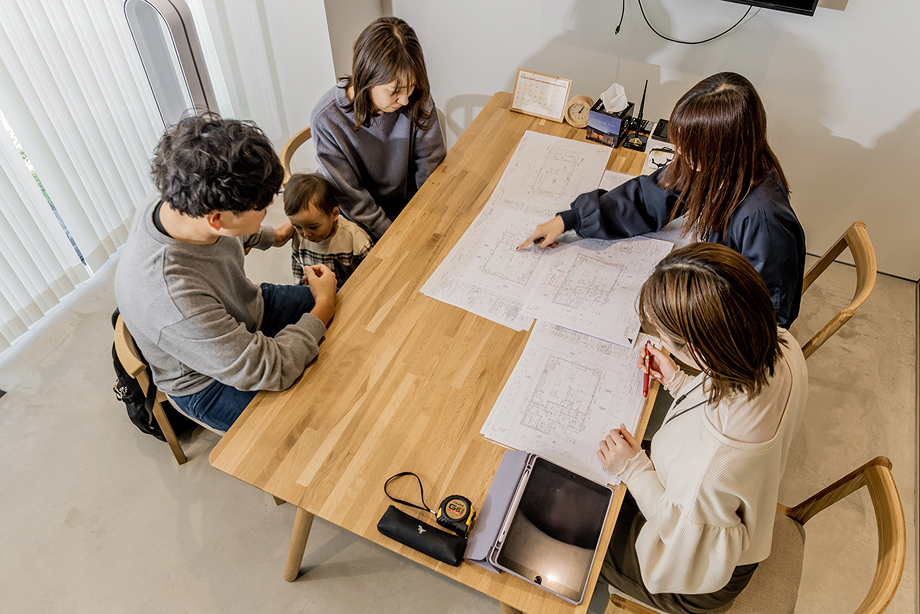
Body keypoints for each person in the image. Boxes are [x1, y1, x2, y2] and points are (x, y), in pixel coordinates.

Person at [595, 243, 808, 613]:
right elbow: (726, 397)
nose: (661, 343)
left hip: (698, 571)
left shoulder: (712, 463)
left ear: (702, 349)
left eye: (667, 338)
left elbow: (681, 531)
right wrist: (680, 381)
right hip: (722, 512)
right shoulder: (780, 343)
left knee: (582, 526)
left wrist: (632, 468)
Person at [519, 72, 806, 328]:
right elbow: (648, 197)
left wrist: (683, 317)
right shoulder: (714, 167)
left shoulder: (764, 219)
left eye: (690, 148)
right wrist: (570, 220)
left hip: (721, 331)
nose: (679, 153)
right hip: (703, 289)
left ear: (723, 150)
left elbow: (769, 320)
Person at [114, 114, 337, 433]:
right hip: (206, 383)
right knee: (312, 424)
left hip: (241, 309)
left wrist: (271, 236)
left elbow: (236, 229)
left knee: (349, 310)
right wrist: (322, 308)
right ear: (217, 221)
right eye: (262, 205)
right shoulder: (173, 296)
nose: (269, 206)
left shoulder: (180, 195)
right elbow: (267, 368)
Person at [310, 16, 446, 241]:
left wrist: (426, 219)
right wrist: (392, 235)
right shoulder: (327, 120)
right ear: (367, 77)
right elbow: (352, 198)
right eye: (394, 91)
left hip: (410, 207)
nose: (404, 99)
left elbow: (430, 165)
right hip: (359, 223)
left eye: (410, 87)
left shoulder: (417, 96)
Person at [283, 172, 373, 287]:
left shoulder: (355, 239)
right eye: (298, 226)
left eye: (313, 227)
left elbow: (373, 272)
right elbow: (298, 270)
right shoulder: (298, 238)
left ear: (334, 214)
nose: (306, 234)